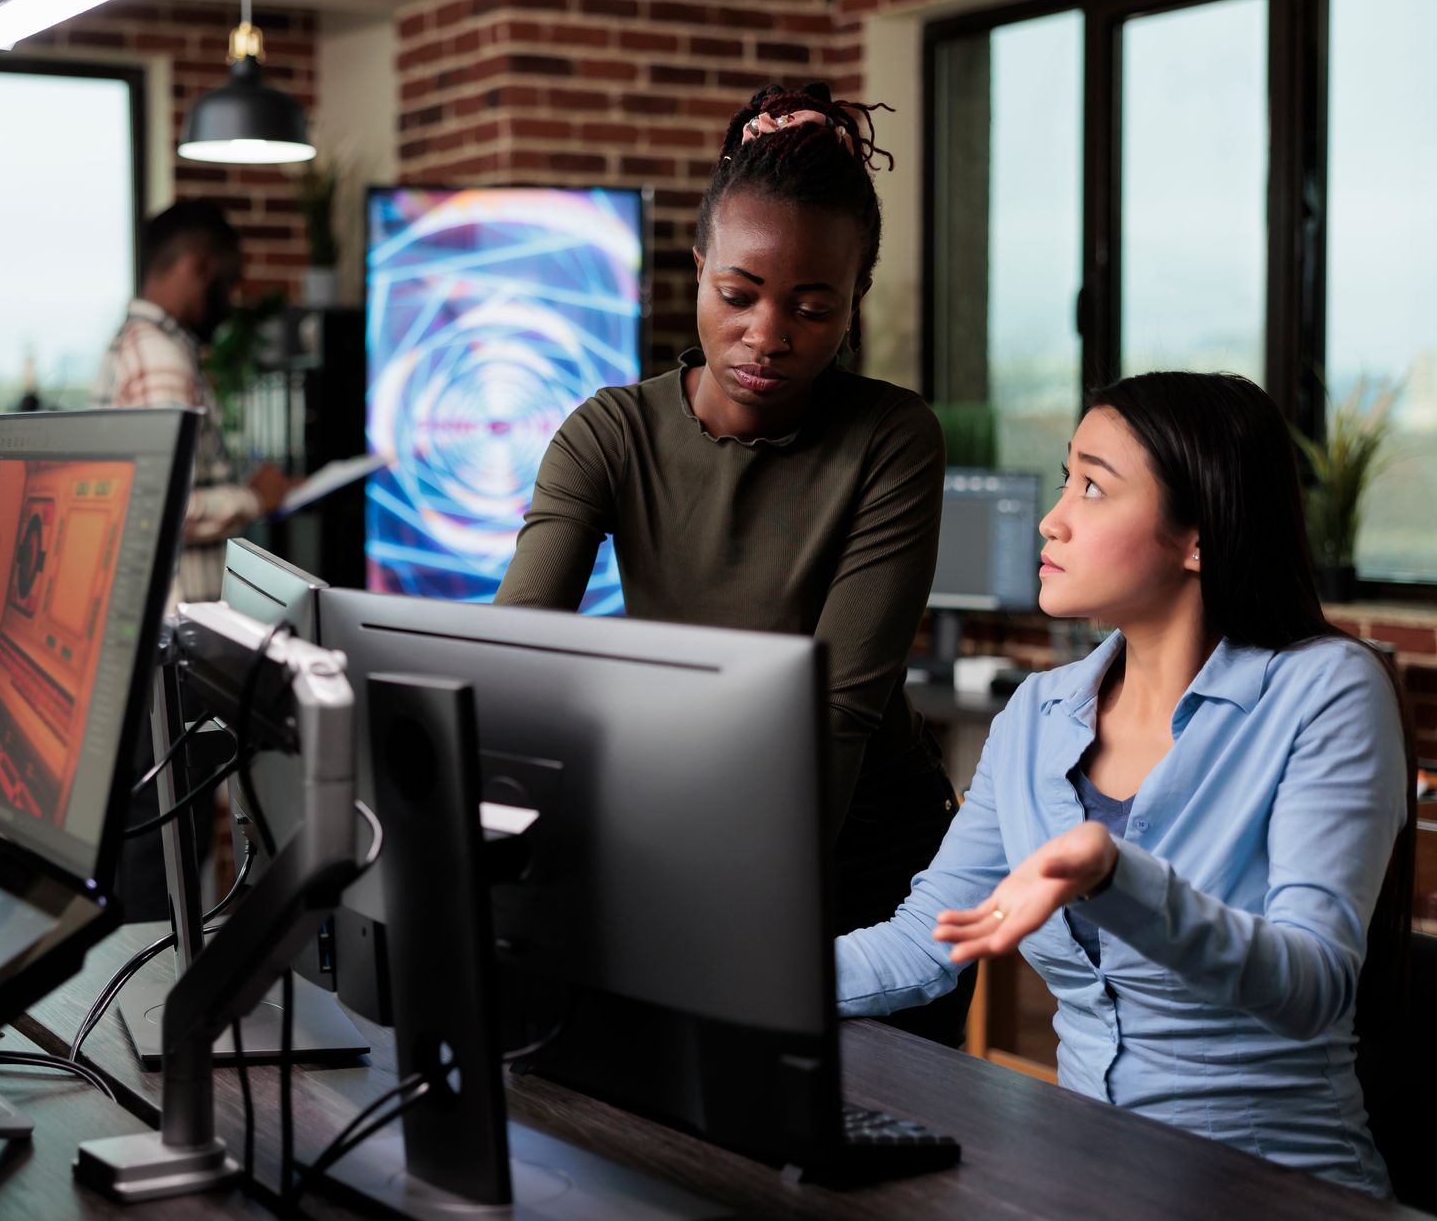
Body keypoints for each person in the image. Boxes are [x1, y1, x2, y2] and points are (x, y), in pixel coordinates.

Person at [836, 371, 1416, 1195]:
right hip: (1088, 1182)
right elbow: (926, 939)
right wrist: (740, 986)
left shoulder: (1326, 689)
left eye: (1093, 488)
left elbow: (1312, 983)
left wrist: (1118, 875)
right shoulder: (1037, 713)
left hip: (1278, 1193)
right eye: (1067, 478)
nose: (1053, 517)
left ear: (1199, 537)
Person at [494, 81, 971, 1044]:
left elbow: (831, 709)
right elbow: (514, 655)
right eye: (739, 295)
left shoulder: (892, 438)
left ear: (855, 302)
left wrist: (718, 914)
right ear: (699, 262)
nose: (768, 335)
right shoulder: (610, 434)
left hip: (865, 862)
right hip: (680, 825)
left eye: (811, 306)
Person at [95, 198, 293, 604]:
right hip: (178, 616)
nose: (232, 298)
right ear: (200, 267)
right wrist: (254, 498)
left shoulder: (135, 344)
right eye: (230, 280)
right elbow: (166, 507)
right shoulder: (159, 357)